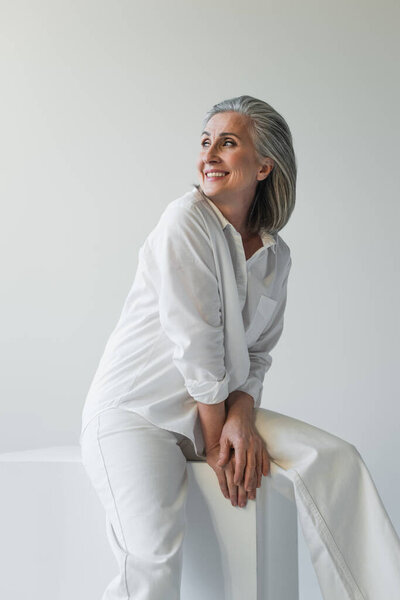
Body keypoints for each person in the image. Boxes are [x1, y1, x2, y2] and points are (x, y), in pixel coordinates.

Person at [80, 95, 400, 599]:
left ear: (264, 165)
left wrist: (242, 415)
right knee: (153, 554)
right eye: (206, 142)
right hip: (137, 415)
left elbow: (256, 355)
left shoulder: (277, 255)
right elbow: (198, 347)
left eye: (227, 143)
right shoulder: (185, 220)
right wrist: (218, 446)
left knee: (335, 459)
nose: (209, 154)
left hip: (216, 411)